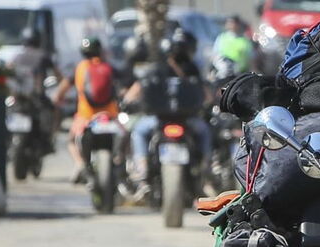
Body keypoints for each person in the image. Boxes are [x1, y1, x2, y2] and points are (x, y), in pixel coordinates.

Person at [125, 28, 212, 197]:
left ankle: (141, 167)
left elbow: (139, 87)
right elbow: (205, 91)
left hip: (165, 120)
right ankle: (205, 167)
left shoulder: (160, 67)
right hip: (178, 120)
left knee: (139, 132)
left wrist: (127, 101)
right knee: (205, 132)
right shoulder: (189, 68)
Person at [52, 37, 119, 183]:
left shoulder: (80, 68)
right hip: (110, 115)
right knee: (125, 138)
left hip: (86, 117)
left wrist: (58, 98)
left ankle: (80, 164)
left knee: (70, 140)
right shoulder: (108, 67)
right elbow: (124, 85)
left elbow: (62, 89)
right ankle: (123, 163)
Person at [6, 28, 58, 155]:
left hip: (18, 97)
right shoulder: (43, 56)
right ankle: (49, 140)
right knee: (55, 111)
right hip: (36, 99)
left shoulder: (17, 56)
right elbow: (58, 75)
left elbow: (7, 71)